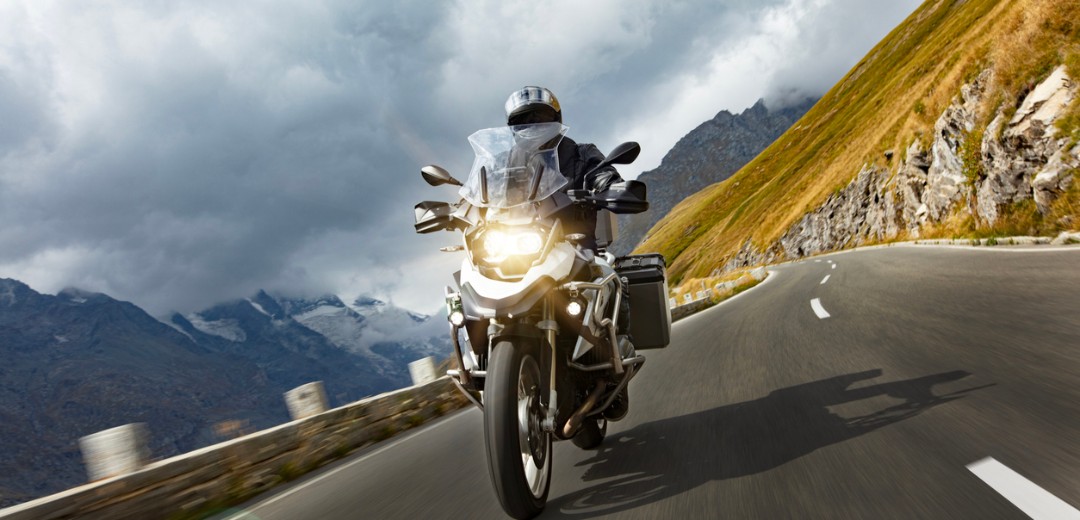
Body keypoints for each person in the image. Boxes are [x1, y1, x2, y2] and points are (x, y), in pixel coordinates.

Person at [504, 86, 622, 252]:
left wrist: (610, 186)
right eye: (523, 123)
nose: (532, 127)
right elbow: (489, 193)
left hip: (576, 250)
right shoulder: (508, 166)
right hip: (517, 250)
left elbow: (602, 173)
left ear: (555, 120)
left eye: (539, 119)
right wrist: (462, 208)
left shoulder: (582, 154)